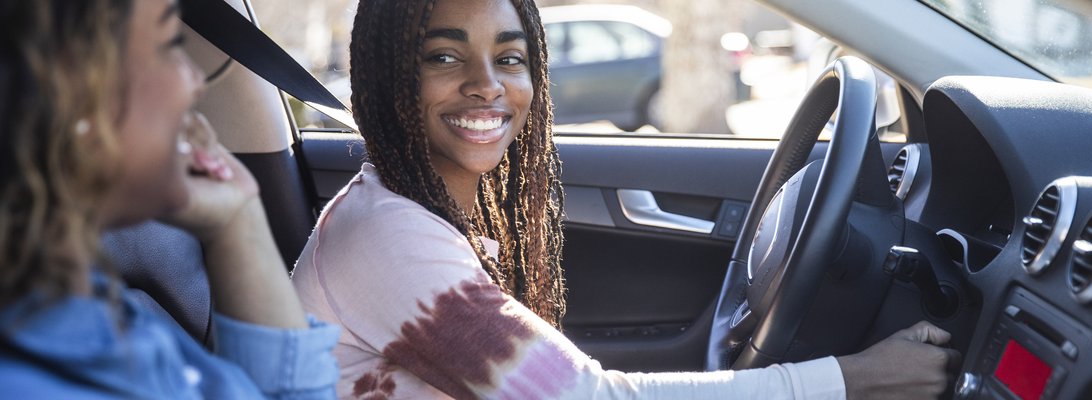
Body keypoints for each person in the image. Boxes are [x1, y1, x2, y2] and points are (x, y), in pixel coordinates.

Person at [290, 0, 958, 398]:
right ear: (388, 77)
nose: (486, 85)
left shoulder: (405, 213)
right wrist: (853, 381)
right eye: (444, 57)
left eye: (511, 58)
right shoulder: (388, 240)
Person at [0, 0, 339, 397]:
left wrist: (236, 216)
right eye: (170, 45)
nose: (196, 81)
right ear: (69, 95)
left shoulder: (90, 309)